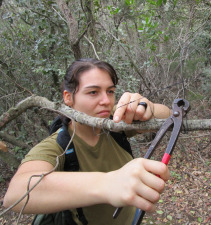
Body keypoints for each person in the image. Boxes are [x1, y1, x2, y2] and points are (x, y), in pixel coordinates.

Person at [3, 58, 171, 225]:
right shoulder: (58, 146)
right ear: (68, 98)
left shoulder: (115, 121)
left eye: (110, 91)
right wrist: (108, 183)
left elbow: (169, 116)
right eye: (93, 92)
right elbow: (16, 194)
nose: (106, 100)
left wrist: (148, 108)